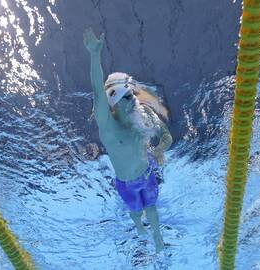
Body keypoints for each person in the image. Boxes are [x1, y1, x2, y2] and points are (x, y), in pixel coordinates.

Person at [83, 28, 173, 253]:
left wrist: (160, 150)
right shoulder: (109, 128)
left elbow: (166, 136)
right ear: (114, 102)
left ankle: (158, 238)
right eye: (126, 97)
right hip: (126, 184)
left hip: (148, 172)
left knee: (151, 208)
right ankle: (139, 229)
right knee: (136, 211)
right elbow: (97, 92)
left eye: (132, 93)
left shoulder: (143, 114)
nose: (133, 98)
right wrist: (95, 55)